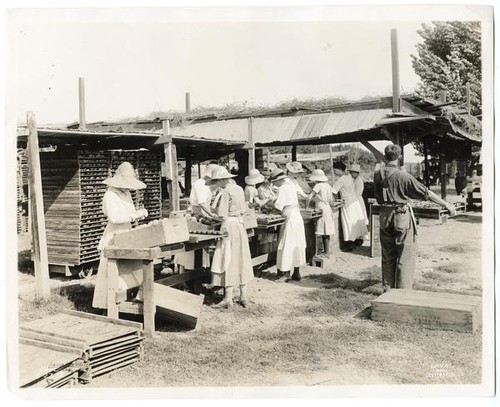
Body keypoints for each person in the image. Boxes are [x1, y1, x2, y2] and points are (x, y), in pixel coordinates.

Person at [373, 144, 457, 291]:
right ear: (399, 157)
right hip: (400, 216)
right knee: (405, 256)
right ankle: (403, 293)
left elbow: (380, 194)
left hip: (384, 215)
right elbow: (426, 193)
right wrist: (447, 205)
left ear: (385, 157)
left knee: (387, 255)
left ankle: (387, 291)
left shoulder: (377, 174)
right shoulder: (403, 176)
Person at [92, 162, 148, 310]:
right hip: (114, 236)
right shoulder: (109, 195)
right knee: (112, 273)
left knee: (129, 270)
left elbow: (129, 213)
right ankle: (108, 306)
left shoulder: (126, 193)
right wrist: (135, 215)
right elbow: (115, 218)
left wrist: (137, 214)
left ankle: (127, 303)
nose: (128, 187)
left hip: (127, 234)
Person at [207, 166, 254, 308]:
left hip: (229, 227)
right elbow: (243, 208)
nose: (216, 184)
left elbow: (222, 214)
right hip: (240, 226)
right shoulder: (239, 189)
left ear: (222, 180)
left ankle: (228, 298)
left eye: (217, 181)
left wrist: (212, 215)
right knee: (242, 257)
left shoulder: (225, 192)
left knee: (227, 258)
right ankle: (243, 296)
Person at [175, 163, 219, 272]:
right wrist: (211, 215)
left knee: (200, 247)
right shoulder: (201, 184)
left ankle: (198, 272)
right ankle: (186, 274)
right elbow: (202, 203)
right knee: (190, 249)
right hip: (195, 215)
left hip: (201, 215)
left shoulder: (208, 185)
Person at [269, 168, 306, 281]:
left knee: (286, 244)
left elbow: (278, 205)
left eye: (274, 182)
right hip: (296, 216)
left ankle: (284, 274)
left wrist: (269, 203)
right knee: (296, 244)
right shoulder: (290, 186)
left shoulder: (283, 188)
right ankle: (296, 272)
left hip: (290, 217)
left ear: (279, 180)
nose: (274, 184)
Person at [331, 161, 368, 251]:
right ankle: (356, 240)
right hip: (354, 200)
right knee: (354, 219)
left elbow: (333, 191)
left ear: (339, 170)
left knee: (348, 220)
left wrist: (333, 199)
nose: (334, 172)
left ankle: (349, 243)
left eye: (335, 170)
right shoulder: (349, 178)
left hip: (347, 201)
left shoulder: (341, 180)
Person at [306, 169, 336, 257]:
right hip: (327, 207)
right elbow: (332, 199)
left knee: (320, 230)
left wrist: (307, 207)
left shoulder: (318, 186)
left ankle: (317, 252)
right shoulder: (327, 186)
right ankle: (327, 251)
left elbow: (309, 197)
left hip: (321, 208)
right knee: (326, 231)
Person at [348, 163, 369, 244]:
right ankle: (358, 236)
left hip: (357, 200)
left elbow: (357, 193)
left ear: (356, 173)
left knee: (359, 217)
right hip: (356, 199)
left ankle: (361, 236)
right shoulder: (354, 180)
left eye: (352, 172)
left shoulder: (359, 181)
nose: (351, 174)